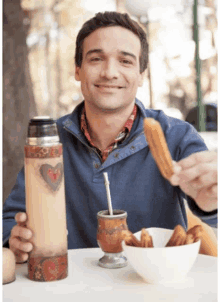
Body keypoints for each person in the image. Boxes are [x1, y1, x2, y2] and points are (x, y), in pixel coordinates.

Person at [3, 11, 217, 263]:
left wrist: (210, 204)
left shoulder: (178, 136)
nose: (109, 72)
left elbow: (212, 210)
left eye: (125, 61)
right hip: (70, 287)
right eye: (96, 59)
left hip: (154, 287)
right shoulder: (50, 141)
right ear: (78, 69)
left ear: (141, 75)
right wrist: (14, 239)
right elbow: (11, 219)